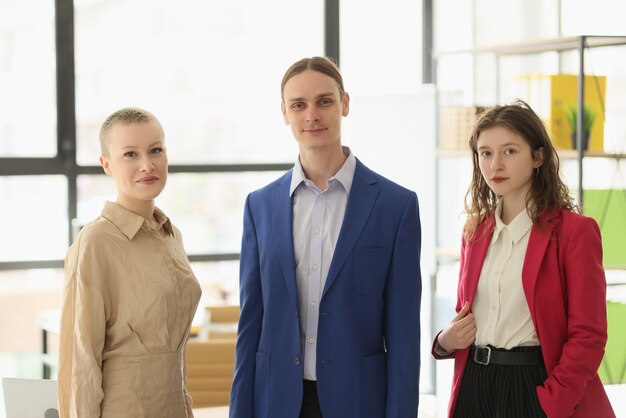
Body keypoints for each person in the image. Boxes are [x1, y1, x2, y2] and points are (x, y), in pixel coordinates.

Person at [229, 56, 422, 418]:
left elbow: (404, 335)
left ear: (344, 104)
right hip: (276, 402)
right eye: (298, 105)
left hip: (360, 402)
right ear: (284, 113)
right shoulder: (260, 207)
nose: (311, 116)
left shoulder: (396, 206)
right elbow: (250, 326)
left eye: (324, 101)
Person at [432, 100, 615, 418]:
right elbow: (468, 316)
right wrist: (445, 340)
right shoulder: (474, 231)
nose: (495, 165)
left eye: (510, 151)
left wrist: (550, 403)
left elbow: (589, 335)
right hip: (473, 386)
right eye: (486, 153)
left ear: (538, 157)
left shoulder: (575, 232)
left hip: (534, 387)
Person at [58, 107, 202, 418]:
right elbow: (80, 362)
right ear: (106, 164)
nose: (147, 165)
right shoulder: (95, 242)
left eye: (155, 150)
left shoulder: (171, 234)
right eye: (130, 155)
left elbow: (175, 350)